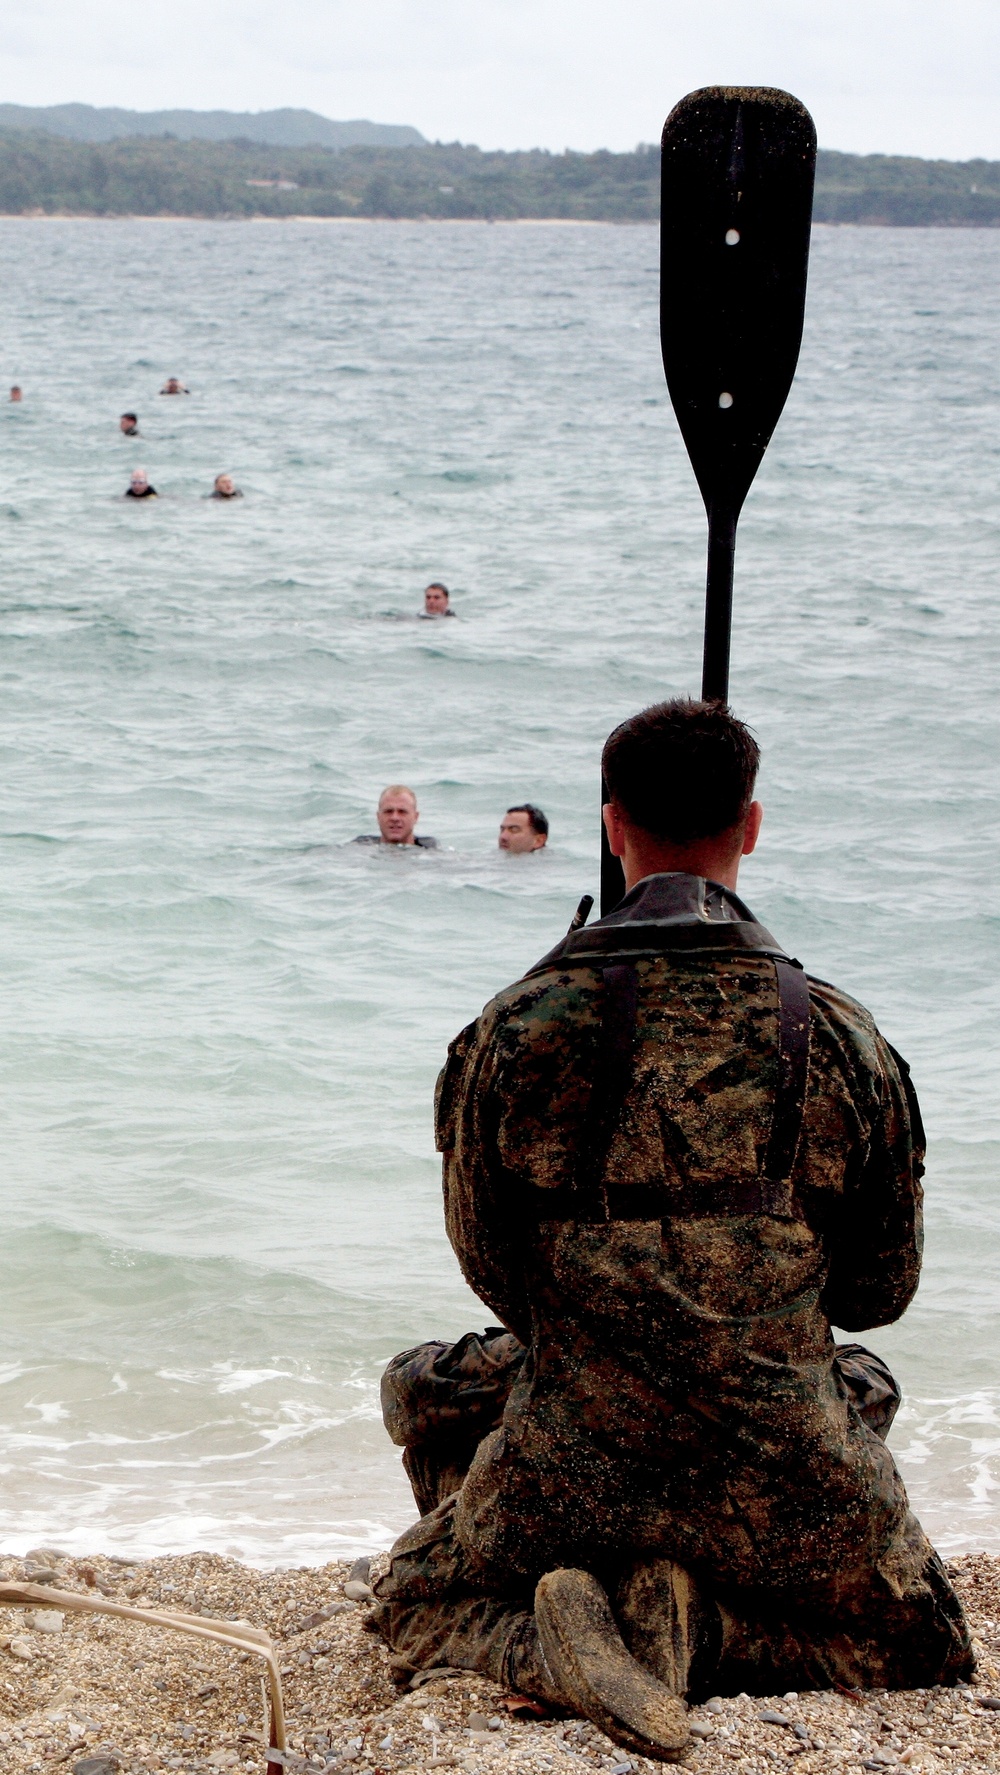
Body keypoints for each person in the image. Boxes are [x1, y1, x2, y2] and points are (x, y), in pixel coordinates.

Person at [371, 698, 972, 1758]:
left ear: (610, 826)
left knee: (411, 1584)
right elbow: (879, 1289)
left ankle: (541, 1633)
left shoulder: (516, 1025)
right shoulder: (836, 1034)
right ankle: (708, 1629)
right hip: (783, 1469)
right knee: (921, 1629)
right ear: (750, 826)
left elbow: (494, 1270)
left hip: (565, 1467)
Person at [352, 786, 439, 848]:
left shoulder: (431, 854)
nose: (395, 818)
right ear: (378, 817)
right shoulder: (359, 849)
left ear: (415, 817)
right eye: (388, 811)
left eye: (402, 812)